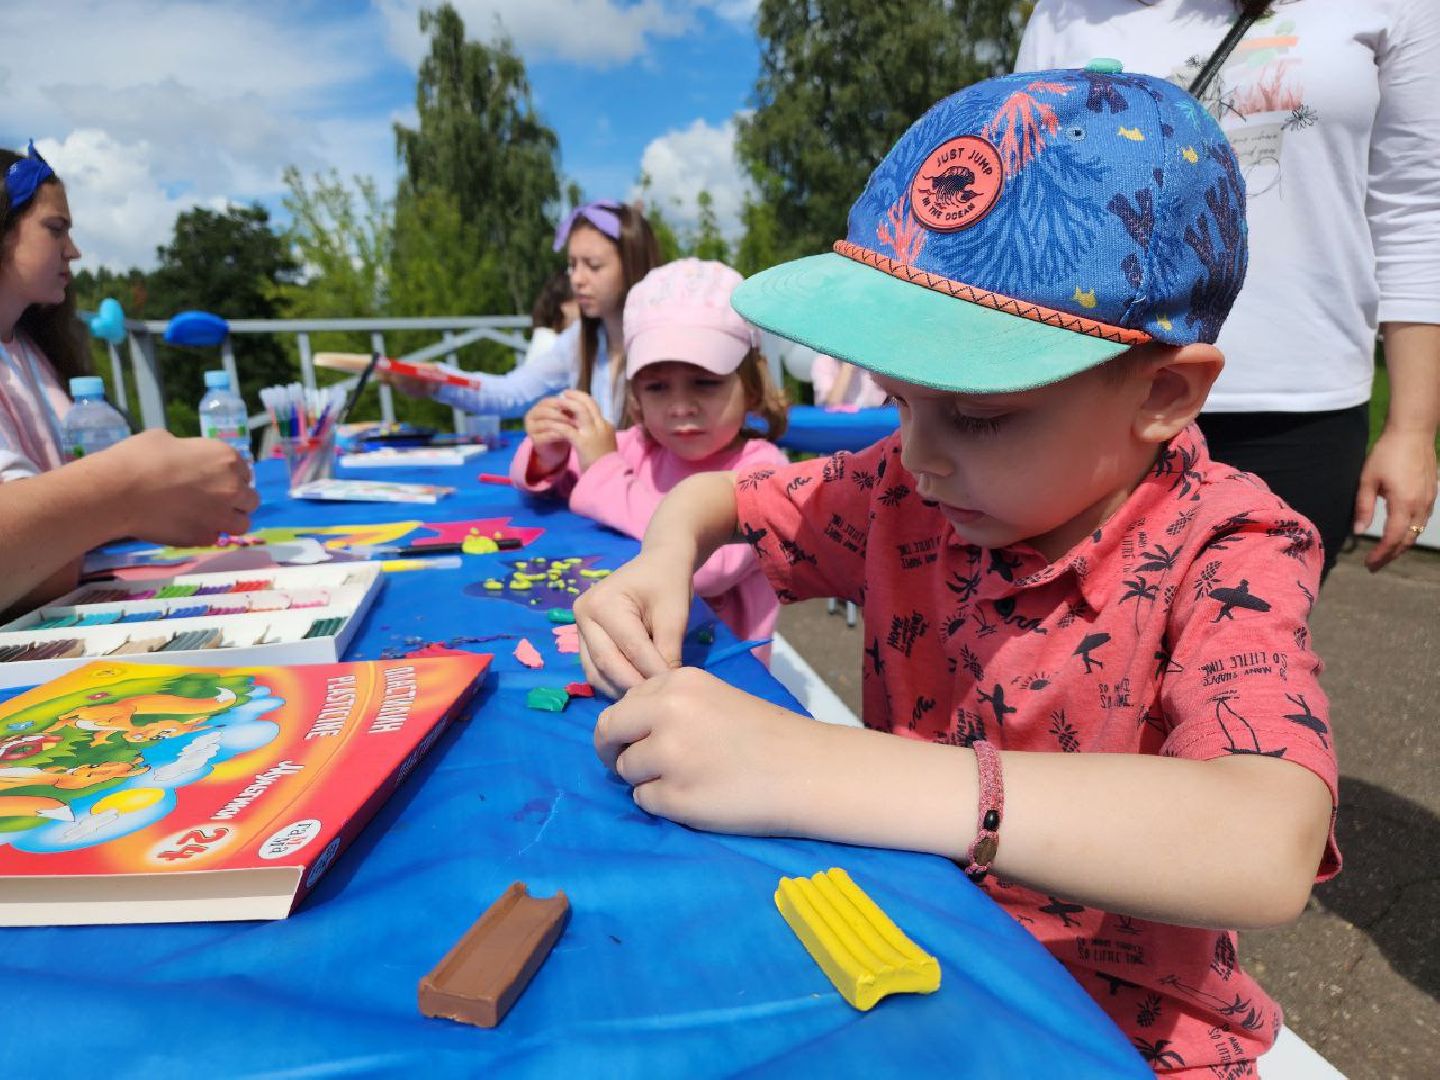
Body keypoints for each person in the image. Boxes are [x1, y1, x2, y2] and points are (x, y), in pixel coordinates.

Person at [572, 69, 1337, 1076]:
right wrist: (663, 559)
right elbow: (724, 501)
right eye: (895, 400)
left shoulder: (1230, 543)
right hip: (904, 969)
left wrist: (817, 766)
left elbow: (1264, 842)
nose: (920, 453)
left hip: (1121, 1034)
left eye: (977, 413)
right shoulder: (910, 485)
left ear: (1161, 392)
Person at [1016, 0, 1440, 578]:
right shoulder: (1066, 12)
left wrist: (1412, 430)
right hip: (1096, 391)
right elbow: (1026, 198)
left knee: (1245, 653)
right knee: (1077, 654)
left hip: (1295, 412)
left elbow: (1413, 211)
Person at [0, 142, 255, 613]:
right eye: (55, 229)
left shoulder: (32, 351)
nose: (73, 252)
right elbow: (40, 569)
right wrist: (128, 488)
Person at [510, 259, 789, 649]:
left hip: (724, 679)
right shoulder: (638, 446)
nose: (680, 406)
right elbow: (554, 481)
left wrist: (605, 470)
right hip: (627, 651)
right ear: (636, 398)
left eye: (705, 383)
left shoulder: (763, 470)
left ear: (752, 389)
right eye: (657, 387)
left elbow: (708, 568)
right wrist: (548, 450)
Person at [391, 201, 662, 425]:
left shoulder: (666, 341)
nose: (577, 279)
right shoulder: (578, 341)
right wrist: (437, 381)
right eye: (572, 265)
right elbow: (512, 393)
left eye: (593, 266)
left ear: (632, 265)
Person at [810, 354, 889, 410]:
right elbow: (830, 406)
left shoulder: (879, 362)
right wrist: (848, 365)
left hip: (875, 426)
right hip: (839, 426)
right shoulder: (824, 362)